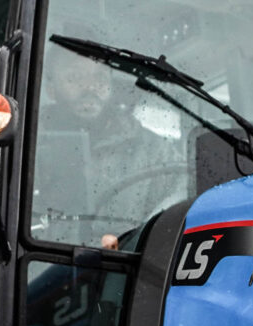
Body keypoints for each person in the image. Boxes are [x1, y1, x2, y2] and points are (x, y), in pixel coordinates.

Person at [30, 46, 191, 249]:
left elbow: (184, 199)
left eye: (99, 78)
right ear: (51, 89)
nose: (90, 87)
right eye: (75, 77)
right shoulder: (29, 145)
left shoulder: (152, 150)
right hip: (42, 268)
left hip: (125, 272)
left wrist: (137, 241)